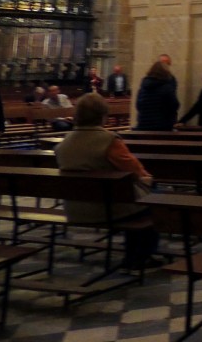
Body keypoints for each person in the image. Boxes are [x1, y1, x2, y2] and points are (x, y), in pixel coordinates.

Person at [54, 93, 160, 271]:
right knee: (154, 200)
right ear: (103, 116)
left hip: (76, 208)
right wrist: (147, 179)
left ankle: (135, 254)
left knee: (133, 200)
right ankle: (141, 255)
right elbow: (136, 170)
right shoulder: (109, 140)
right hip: (107, 208)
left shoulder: (64, 144)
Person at [135, 60, 180, 131]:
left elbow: (138, 106)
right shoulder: (167, 87)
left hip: (143, 126)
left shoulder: (143, 88)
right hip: (162, 127)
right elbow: (175, 105)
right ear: (166, 72)